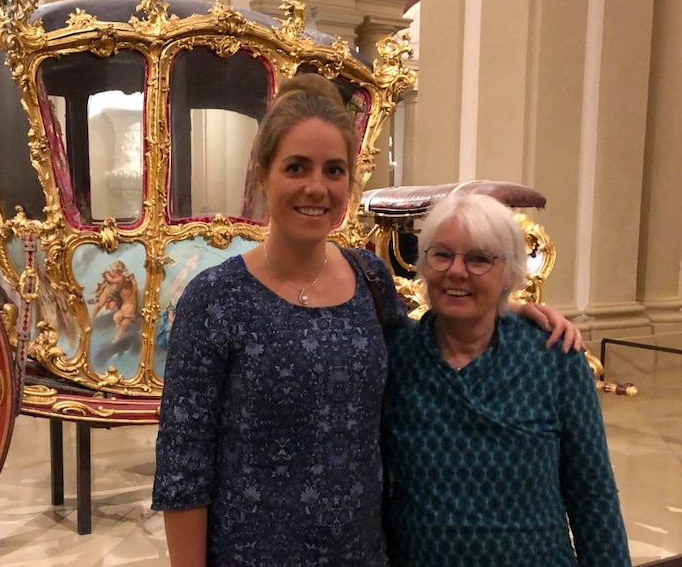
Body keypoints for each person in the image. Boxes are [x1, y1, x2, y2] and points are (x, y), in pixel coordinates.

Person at [151, 74, 581, 567]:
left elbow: (425, 354)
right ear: (262, 175)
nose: (317, 187)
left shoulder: (369, 278)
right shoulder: (215, 298)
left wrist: (501, 310)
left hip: (364, 552)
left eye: (334, 170)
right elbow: (183, 467)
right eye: (297, 167)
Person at [381, 192, 630, 566]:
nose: (457, 271)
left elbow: (592, 494)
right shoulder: (395, 356)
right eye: (442, 254)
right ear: (423, 263)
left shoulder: (553, 356)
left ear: (511, 274)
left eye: (479, 258)